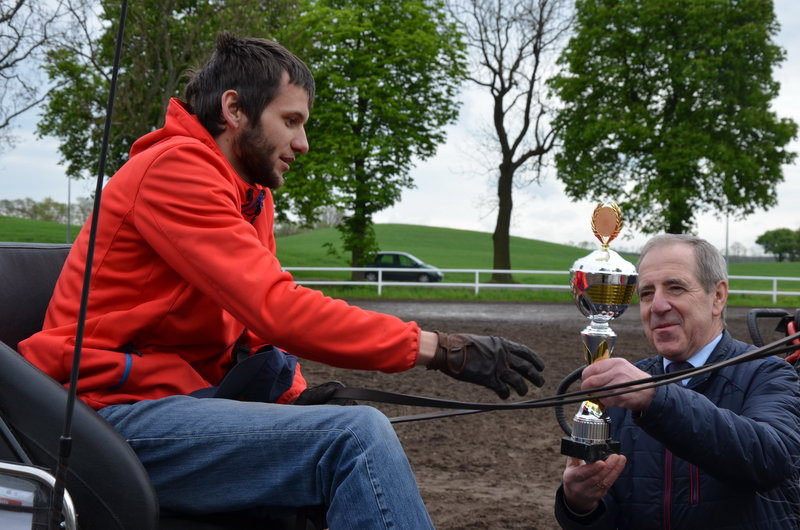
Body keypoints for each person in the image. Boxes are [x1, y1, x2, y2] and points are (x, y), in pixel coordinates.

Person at [19, 33, 545, 529]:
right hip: (102, 419)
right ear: (234, 110)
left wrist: (293, 397)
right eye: (290, 121)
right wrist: (439, 349)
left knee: (345, 430)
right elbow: (276, 307)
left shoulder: (251, 193)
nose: (304, 142)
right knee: (355, 438)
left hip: (181, 401)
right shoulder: (174, 170)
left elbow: (257, 331)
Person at [554, 234, 800, 529]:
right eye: (646, 293)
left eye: (675, 288)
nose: (657, 306)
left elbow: (771, 459)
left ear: (718, 297)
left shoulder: (769, 373)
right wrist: (580, 505)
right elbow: (612, 512)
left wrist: (655, 398)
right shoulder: (621, 391)